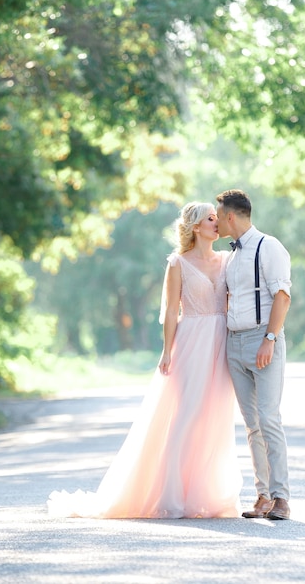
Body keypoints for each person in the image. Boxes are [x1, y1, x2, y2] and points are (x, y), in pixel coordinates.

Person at [47, 201, 242, 519]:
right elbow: (169, 312)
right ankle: (171, 495)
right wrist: (167, 351)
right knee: (186, 416)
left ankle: (205, 495)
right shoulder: (178, 262)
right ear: (196, 227)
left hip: (222, 342)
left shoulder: (227, 260)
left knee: (216, 418)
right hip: (191, 342)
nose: (217, 221)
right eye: (210, 218)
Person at [216, 189, 291, 520]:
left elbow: (283, 296)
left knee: (269, 418)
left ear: (230, 216)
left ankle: (282, 498)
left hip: (264, 340)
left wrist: (270, 338)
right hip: (235, 345)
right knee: (251, 425)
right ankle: (262, 497)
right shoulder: (231, 256)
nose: (216, 222)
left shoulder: (268, 246)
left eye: (218, 216)